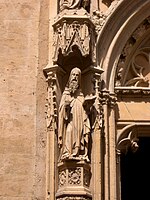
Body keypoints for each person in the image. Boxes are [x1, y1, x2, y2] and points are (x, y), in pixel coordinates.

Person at [58, 67, 94, 162]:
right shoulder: (66, 94)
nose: (75, 77)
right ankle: (67, 152)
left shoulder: (81, 95)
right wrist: (66, 107)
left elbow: (86, 112)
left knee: (80, 136)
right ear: (70, 77)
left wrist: (87, 106)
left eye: (77, 75)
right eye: (73, 75)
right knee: (69, 131)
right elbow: (61, 113)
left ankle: (79, 153)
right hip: (71, 120)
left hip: (80, 121)